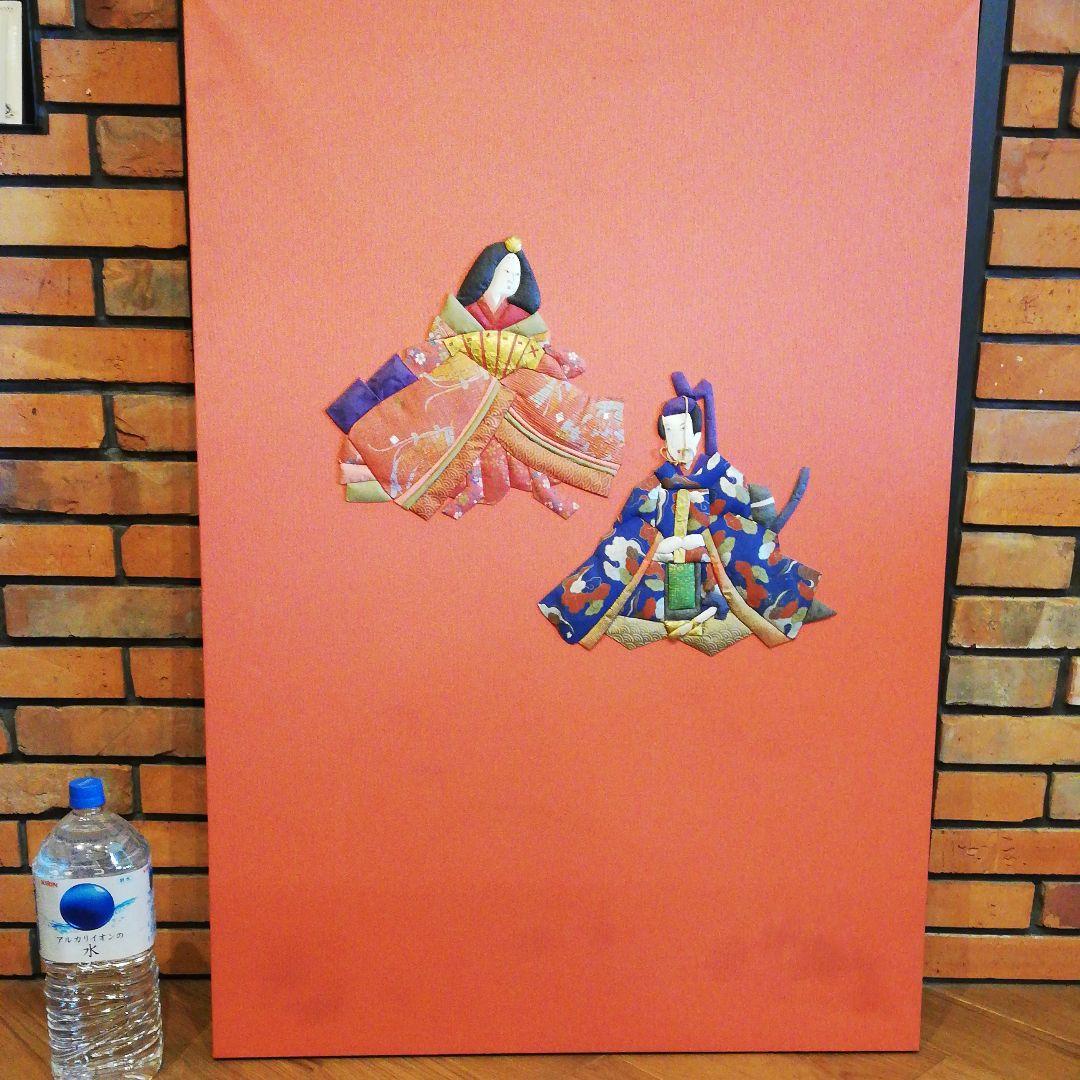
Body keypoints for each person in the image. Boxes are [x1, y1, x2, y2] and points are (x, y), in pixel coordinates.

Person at [326, 237, 623, 520]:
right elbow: (438, 349)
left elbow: (541, 360)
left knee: (540, 404)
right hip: (464, 389)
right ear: (487, 273)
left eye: (516, 274)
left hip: (511, 394)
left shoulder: (528, 324)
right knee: (418, 401)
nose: (510, 279)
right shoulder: (462, 315)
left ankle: (539, 485)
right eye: (505, 271)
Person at [539, 372, 834, 655]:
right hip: (661, 565)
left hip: (712, 565)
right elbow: (631, 519)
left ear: (697, 432)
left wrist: (702, 541)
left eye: (682, 430)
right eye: (670, 432)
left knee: (736, 535)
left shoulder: (722, 474)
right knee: (627, 539)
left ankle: (790, 604)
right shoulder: (658, 481)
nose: (676, 439)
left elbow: (742, 517)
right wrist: (659, 545)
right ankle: (572, 610)